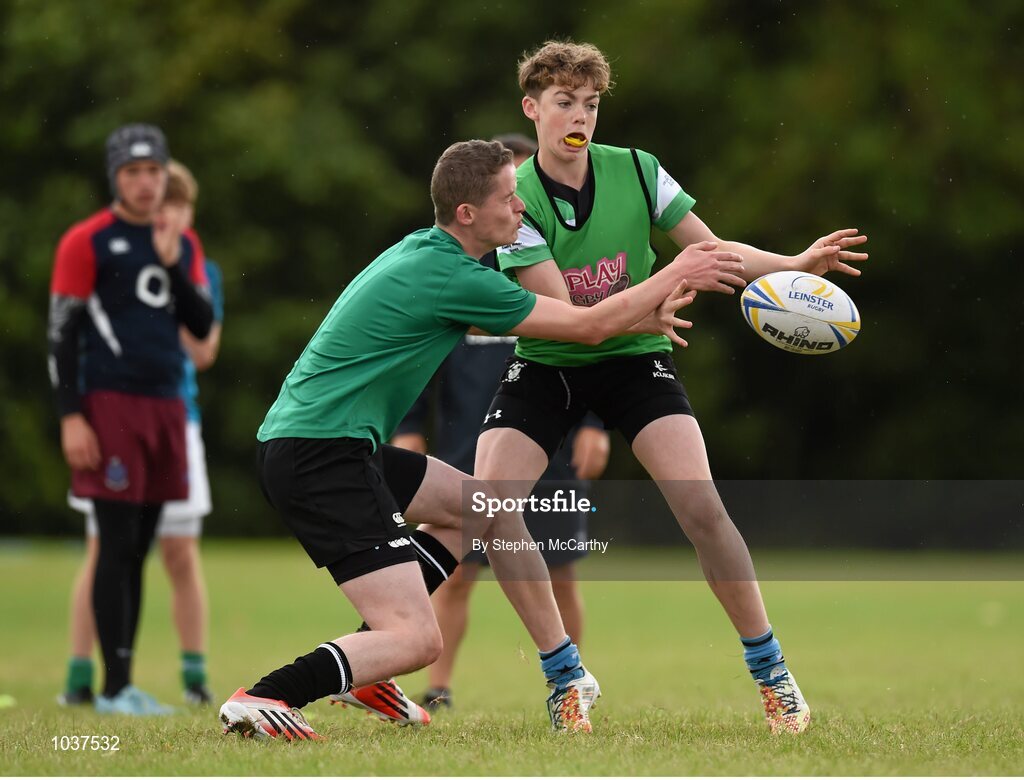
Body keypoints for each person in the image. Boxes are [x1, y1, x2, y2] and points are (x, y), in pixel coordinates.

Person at [218, 139, 729, 740]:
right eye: (509, 199)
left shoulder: (430, 254)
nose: (521, 208)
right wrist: (676, 271)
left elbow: (571, 320)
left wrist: (640, 316)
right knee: (416, 638)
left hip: (327, 443)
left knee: (488, 507)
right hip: (320, 454)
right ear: (468, 214)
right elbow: (586, 327)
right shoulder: (454, 276)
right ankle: (267, 695)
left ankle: (562, 672)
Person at [476, 41, 869, 735]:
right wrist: (657, 289)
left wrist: (792, 263)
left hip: (636, 358)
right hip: (551, 358)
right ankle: (565, 677)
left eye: (590, 104)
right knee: (492, 506)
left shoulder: (636, 169)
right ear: (531, 108)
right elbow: (571, 318)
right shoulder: (515, 199)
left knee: (702, 509)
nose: (580, 117)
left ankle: (773, 674)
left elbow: (710, 253)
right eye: (564, 102)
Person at [388, 134, 609, 712]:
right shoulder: (457, 264)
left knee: (559, 572)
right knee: (456, 571)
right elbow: (417, 354)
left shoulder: (551, 261)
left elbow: (589, 342)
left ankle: (569, 689)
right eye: (510, 192)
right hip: (468, 440)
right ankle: (436, 688)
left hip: (551, 442)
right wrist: (408, 423)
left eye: (522, 193)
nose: (519, 206)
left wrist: (593, 423)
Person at [49, 125, 214, 716]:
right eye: (133, 173)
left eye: (154, 173)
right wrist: (72, 417)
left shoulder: (182, 243)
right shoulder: (85, 242)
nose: (145, 184)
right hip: (110, 409)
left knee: (141, 544)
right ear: (115, 178)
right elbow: (61, 338)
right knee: (115, 543)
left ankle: (123, 682)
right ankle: (112, 685)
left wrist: (171, 261)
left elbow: (198, 326)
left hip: (168, 407)